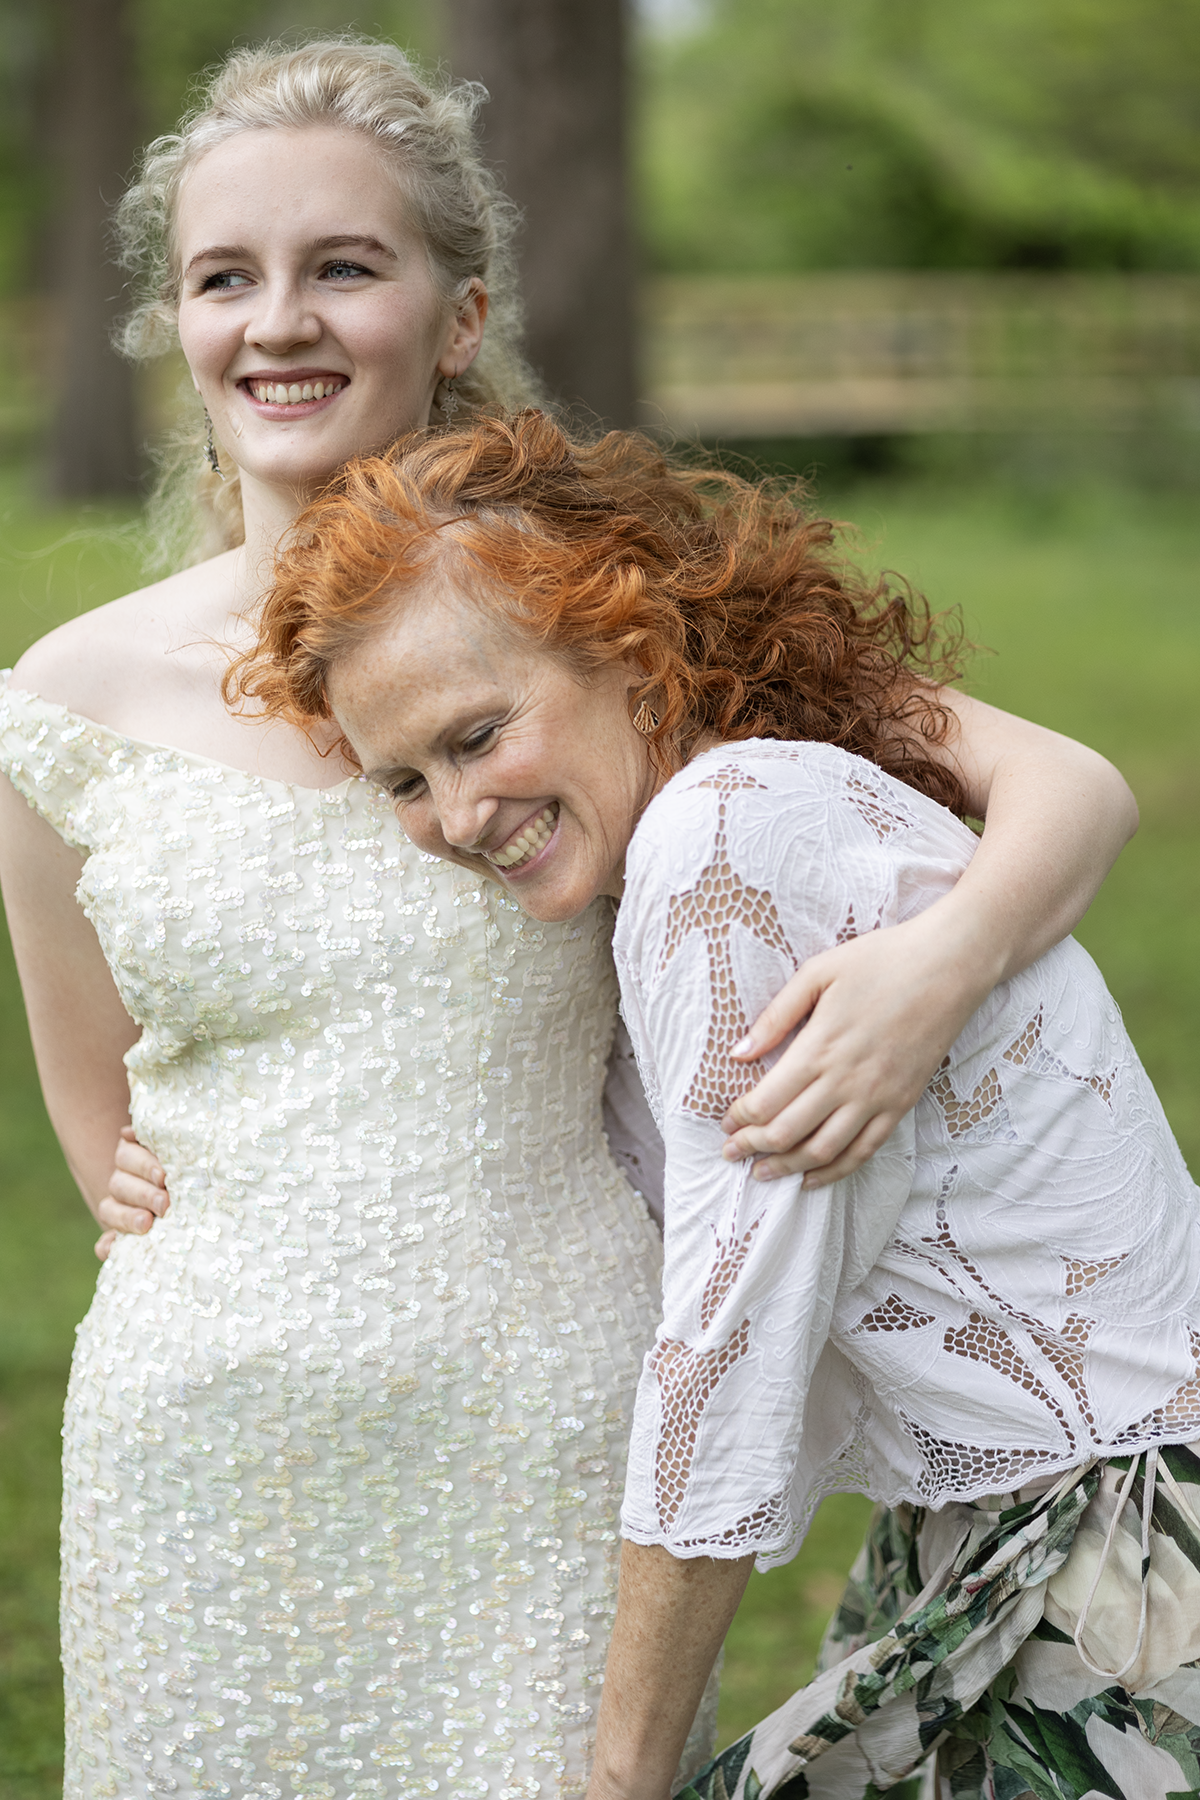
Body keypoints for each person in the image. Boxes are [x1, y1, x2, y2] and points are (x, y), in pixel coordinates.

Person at [0, 34, 1136, 1800]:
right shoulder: (68, 704)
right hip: (204, 1446)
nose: (280, 322)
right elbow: (97, 1108)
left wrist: (932, 968)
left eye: (343, 266)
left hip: (544, 1432)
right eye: (225, 278)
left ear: (458, 313)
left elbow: (1068, 785)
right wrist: (167, 1218)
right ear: (177, 320)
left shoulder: (606, 614)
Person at [239, 409, 1200, 1800]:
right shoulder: (714, 809)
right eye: (405, 780)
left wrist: (619, 1778)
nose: (456, 816)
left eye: (478, 736)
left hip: (1122, 1551)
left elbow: (729, 1344)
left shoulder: (721, 844)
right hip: (993, 1515)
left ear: (629, 650)